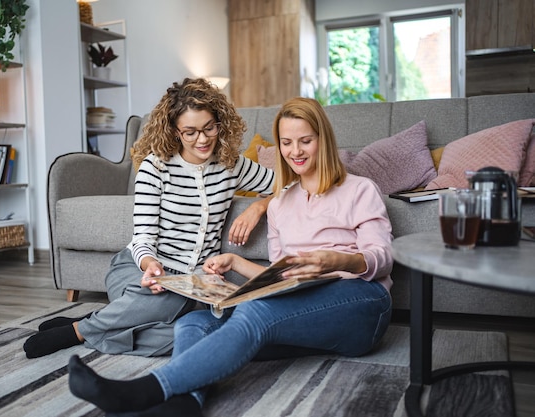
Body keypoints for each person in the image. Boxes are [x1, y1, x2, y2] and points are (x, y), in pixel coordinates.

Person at [66, 97, 394, 417]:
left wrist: (337, 261)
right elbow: (280, 275)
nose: (295, 152)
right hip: (306, 309)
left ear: (324, 139)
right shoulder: (280, 204)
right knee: (195, 321)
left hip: (362, 303)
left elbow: (382, 256)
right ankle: (187, 403)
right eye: (287, 142)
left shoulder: (359, 189)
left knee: (255, 311)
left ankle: (141, 391)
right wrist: (234, 261)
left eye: (305, 141)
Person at [23, 78, 274, 359]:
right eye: (190, 132)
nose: (202, 139)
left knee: (193, 330)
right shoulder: (156, 167)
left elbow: (289, 186)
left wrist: (259, 206)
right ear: (175, 131)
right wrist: (150, 263)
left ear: (220, 122)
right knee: (167, 299)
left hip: (197, 286)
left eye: (209, 128)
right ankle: (78, 332)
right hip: (139, 275)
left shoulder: (232, 164)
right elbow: (142, 237)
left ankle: (98, 323)